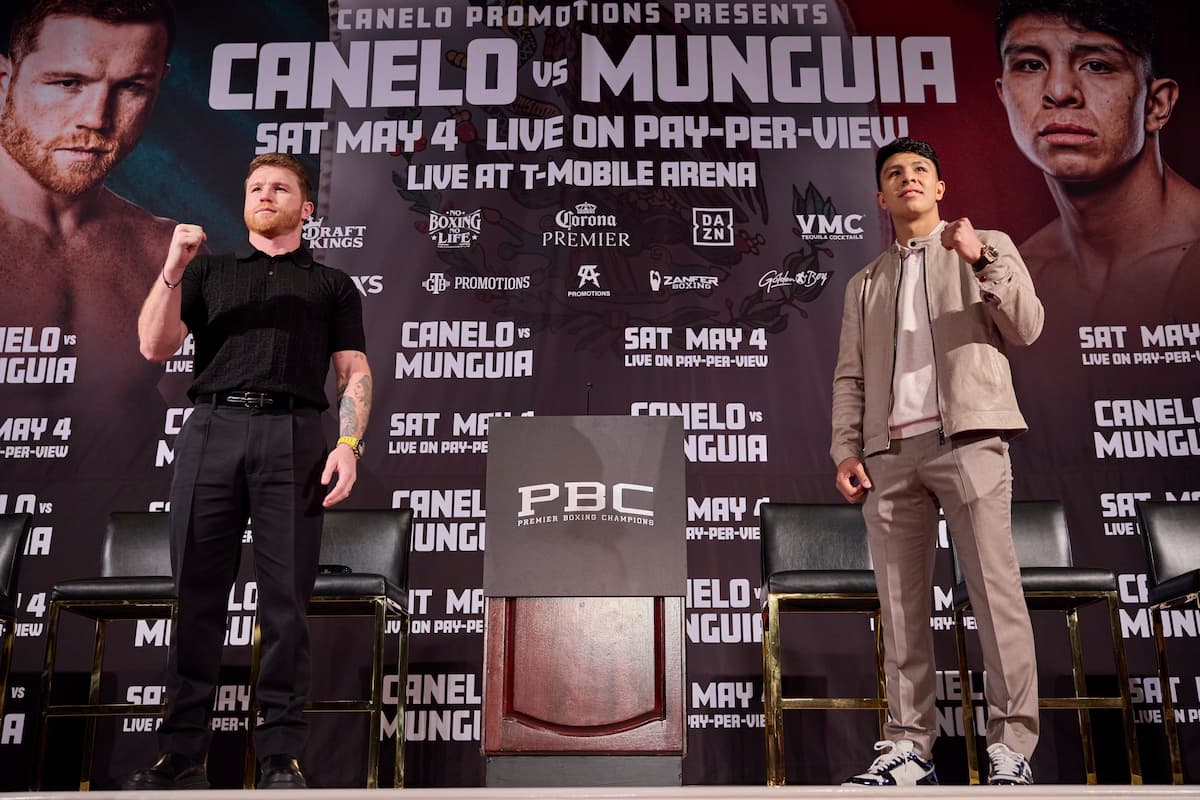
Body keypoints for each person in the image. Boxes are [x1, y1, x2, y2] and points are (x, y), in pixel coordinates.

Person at [123, 152, 373, 790]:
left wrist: (348, 443)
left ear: (306, 208)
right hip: (211, 430)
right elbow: (154, 345)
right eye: (256, 187)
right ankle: (180, 753)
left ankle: (279, 755)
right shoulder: (205, 272)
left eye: (280, 188)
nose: (265, 195)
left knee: (285, 604)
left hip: (294, 436)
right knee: (196, 599)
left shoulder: (332, 285)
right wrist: (174, 267)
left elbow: (352, 373)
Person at [830, 137, 1043, 786]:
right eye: (894, 173)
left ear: (941, 188)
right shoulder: (864, 282)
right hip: (889, 457)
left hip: (970, 442)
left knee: (995, 594)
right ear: (881, 197)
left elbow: (1027, 326)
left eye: (920, 170)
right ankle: (909, 749)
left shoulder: (989, 244)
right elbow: (849, 377)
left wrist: (981, 260)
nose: (907, 179)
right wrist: (845, 447)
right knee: (900, 608)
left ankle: (1011, 748)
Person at [0, 0, 178, 396]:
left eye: (132, 87)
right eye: (68, 83)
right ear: (3, 80)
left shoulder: (163, 253)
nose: (97, 118)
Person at [994, 0, 1200, 319]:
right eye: (1031, 65)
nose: (1060, 91)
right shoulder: (1021, 278)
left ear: (1157, 104)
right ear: (1003, 95)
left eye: (1096, 65)